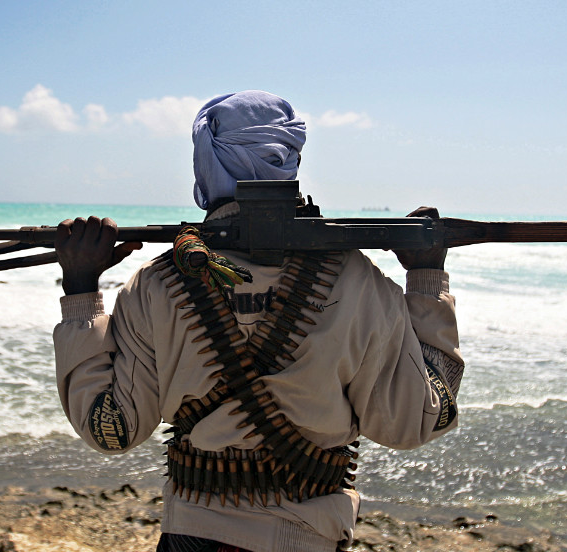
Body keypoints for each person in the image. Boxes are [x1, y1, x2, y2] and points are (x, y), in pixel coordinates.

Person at [52, 90, 464, 552]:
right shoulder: (356, 280)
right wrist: (426, 278)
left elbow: (112, 429)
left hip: (193, 536)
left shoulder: (158, 283)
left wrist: (81, 288)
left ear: (207, 162)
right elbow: (417, 420)